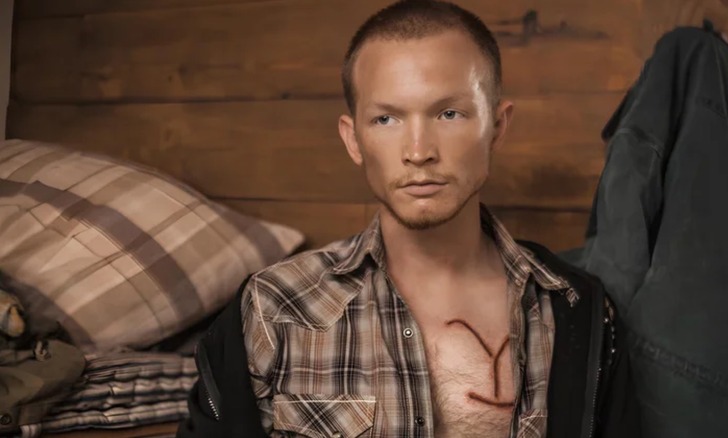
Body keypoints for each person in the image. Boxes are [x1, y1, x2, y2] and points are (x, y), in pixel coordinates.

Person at [178, 1, 638, 437]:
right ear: (352, 138)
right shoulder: (272, 309)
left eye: (449, 113)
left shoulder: (576, 309)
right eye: (386, 120)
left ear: (497, 126)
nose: (419, 152)